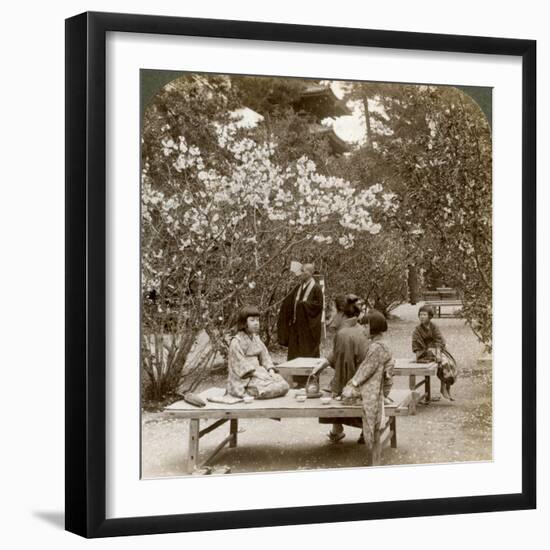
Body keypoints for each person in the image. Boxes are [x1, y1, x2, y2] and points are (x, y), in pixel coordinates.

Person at [340, 310, 395, 464]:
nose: (363, 329)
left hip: (377, 387)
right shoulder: (379, 344)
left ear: (373, 327)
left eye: (365, 326)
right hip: (380, 383)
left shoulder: (377, 347)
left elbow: (366, 370)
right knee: (348, 390)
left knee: (347, 394)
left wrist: (353, 383)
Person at [315, 295, 370, 443]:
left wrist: (335, 389)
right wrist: (325, 362)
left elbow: (344, 367)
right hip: (367, 378)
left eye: (332, 311)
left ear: (341, 313)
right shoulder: (357, 327)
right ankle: (340, 429)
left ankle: (357, 429)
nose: (330, 315)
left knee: (329, 394)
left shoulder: (343, 333)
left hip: (359, 382)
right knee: (333, 387)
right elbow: (341, 354)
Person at [226, 306, 289, 399]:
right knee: (266, 389)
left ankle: (261, 389)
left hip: (260, 373)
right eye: (252, 320)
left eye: (257, 320)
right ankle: (252, 391)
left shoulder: (256, 338)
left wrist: (270, 371)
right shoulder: (236, 341)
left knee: (284, 385)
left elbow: (265, 357)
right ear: (244, 323)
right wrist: (256, 374)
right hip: (244, 378)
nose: (256, 323)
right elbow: (239, 363)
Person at [276, 263, 324, 385]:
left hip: (309, 330)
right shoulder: (298, 287)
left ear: (311, 273)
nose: (301, 273)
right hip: (297, 328)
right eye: (301, 271)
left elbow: (318, 307)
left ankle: (310, 382)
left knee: (307, 354)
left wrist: (304, 305)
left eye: (304, 271)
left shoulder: (316, 288)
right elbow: (289, 302)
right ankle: (296, 380)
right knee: (295, 354)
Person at [411, 305, 458, 400]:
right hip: (424, 353)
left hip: (437, 350)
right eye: (420, 315)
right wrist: (425, 352)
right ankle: (443, 387)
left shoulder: (434, 327)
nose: (422, 317)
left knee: (449, 363)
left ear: (430, 316)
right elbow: (416, 344)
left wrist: (437, 352)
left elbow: (439, 340)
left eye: (424, 315)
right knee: (443, 363)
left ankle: (446, 386)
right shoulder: (417, 330)